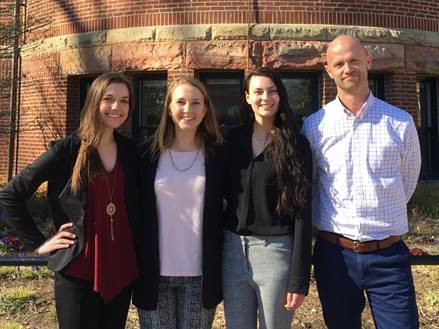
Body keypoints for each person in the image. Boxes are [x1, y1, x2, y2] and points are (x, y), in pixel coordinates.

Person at [0, 72, 140, 329]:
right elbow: (10, 194)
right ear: (94, 101)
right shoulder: (66, 150)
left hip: (120, 268)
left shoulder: (131, 151)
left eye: (125, 101)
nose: (117, 107)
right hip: (77, 269)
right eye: (109, 99)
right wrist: (39, 245)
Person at [302, 35, 421, 329]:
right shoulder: (314, 126)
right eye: (339, 63)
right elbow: (312, 185)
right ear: (328, 70)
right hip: (335, 256)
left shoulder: (400, 122)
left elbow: (407, 182)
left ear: (368, 62)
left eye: (354, 60)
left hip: (389, 257)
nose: (348, 68)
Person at [222, 68, 313, 329]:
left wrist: (299, 279)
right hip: (233, 251)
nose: (266, 97)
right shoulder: (231, 139)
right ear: (247, 98)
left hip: (276, 253)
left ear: (280, 96)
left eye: (272, 91)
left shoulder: (296, 144)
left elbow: (302, 212)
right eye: (258, 91)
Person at [133, 77, 225, 329]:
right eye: (181, 102)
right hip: (154, 274)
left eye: (196, 103)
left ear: (205, 109)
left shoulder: (218, 156)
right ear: (169, 108)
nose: (188, 109)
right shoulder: (145, 155)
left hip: (200, 276)